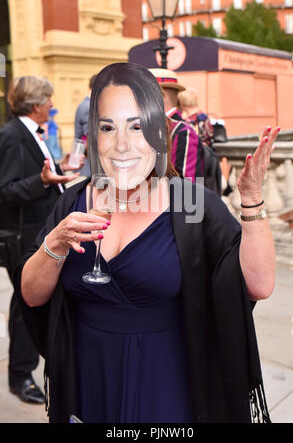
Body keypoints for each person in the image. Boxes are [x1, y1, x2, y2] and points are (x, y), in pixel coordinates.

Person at [13, 62, 278, 423]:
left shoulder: (191, 203)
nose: (122, 144)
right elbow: (31, 294)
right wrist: (54, 245)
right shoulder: (71, 202)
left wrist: (251, 200)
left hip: (166, 383)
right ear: (94, 135)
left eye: (137, 127)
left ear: (158, 132)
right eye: (108, 127)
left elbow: (258, 285)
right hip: (86, 380)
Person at [0, 76, 82, 404]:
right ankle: (21, 377)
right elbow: (5, 191)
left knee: (27, 303)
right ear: (36, 105)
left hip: (36, 228)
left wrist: (57, 172)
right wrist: (42, 181)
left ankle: (27, 368)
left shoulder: (31, 133)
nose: (52, 105)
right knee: (25, 303)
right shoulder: (11, 136)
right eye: (48, 100)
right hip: (21, 234)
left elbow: (35, 177)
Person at [74, 74, 97, 178]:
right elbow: (89, 138)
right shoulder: (89, 106)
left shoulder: (84, 104)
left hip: (83, 162)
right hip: (88, 165)